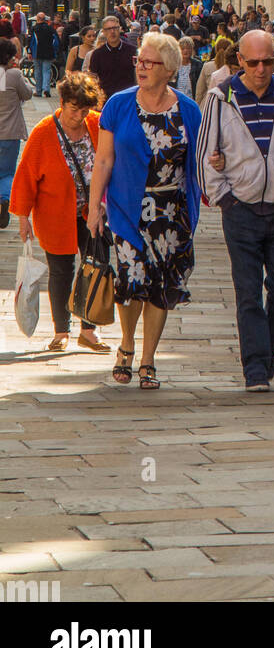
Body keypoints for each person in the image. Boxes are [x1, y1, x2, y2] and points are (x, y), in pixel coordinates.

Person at [198, 30, 274, 391]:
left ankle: (267, 349)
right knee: (247, 290)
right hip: (241, 210)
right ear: (239, 60)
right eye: (253, 62)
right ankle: (255, 368)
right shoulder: (220, 99)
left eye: (268, 61)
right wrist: (224, 197)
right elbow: (206, 153)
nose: (261, 69)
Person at [87, 32, 202, 391]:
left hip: (172, 211)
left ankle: (148, 358)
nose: (141, 67)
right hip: (126, 208)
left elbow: (198, 161)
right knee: (130, 282)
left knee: (162, 287)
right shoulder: (118, 105)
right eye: (139, 60)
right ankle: (126, 344)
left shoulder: (188, 110)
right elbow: (104, 159)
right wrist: (94, 207)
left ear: (168, 69)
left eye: (149, 62)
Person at [12, 72, 108, 353]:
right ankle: (61, 330)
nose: (80, 115)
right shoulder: (44, 133)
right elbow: (26, 177)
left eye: (85, 109)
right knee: (61, 270)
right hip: (55, 214)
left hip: (94, 212)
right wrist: (22, 218)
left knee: (95, 267)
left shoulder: (96, 123)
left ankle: (89, 330)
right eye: (74, 108)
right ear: (63, 102)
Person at [0, 38, 32, 225]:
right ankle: (4, 199)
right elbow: (27, 94)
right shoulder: (13, 75)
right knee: (6, 172)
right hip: (10, 131)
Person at [90, 15, 137, 101]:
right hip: (106, 100)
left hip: (128, 99)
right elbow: (93, 80)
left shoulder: (132, 51)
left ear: (120, 29)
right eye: (108, 29)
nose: (112, 31)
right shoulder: (97, 54)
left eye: (115, 28)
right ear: (103, 32)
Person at [29, 12, 59, 98]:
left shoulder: (34, 29)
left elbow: (31, 41)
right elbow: (56, 41)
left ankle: (38, 91)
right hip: (48, 52)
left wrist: (29, 51)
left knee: (38, 72)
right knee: (46, 71)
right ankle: (46, 89)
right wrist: (55, 51)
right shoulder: (50, 28)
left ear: (37, 19)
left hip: (37, 52)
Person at [196, 36, 232, 104]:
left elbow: (200, 91)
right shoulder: (233, 68)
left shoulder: (207, 66)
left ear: (215, 50)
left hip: (208, 105)